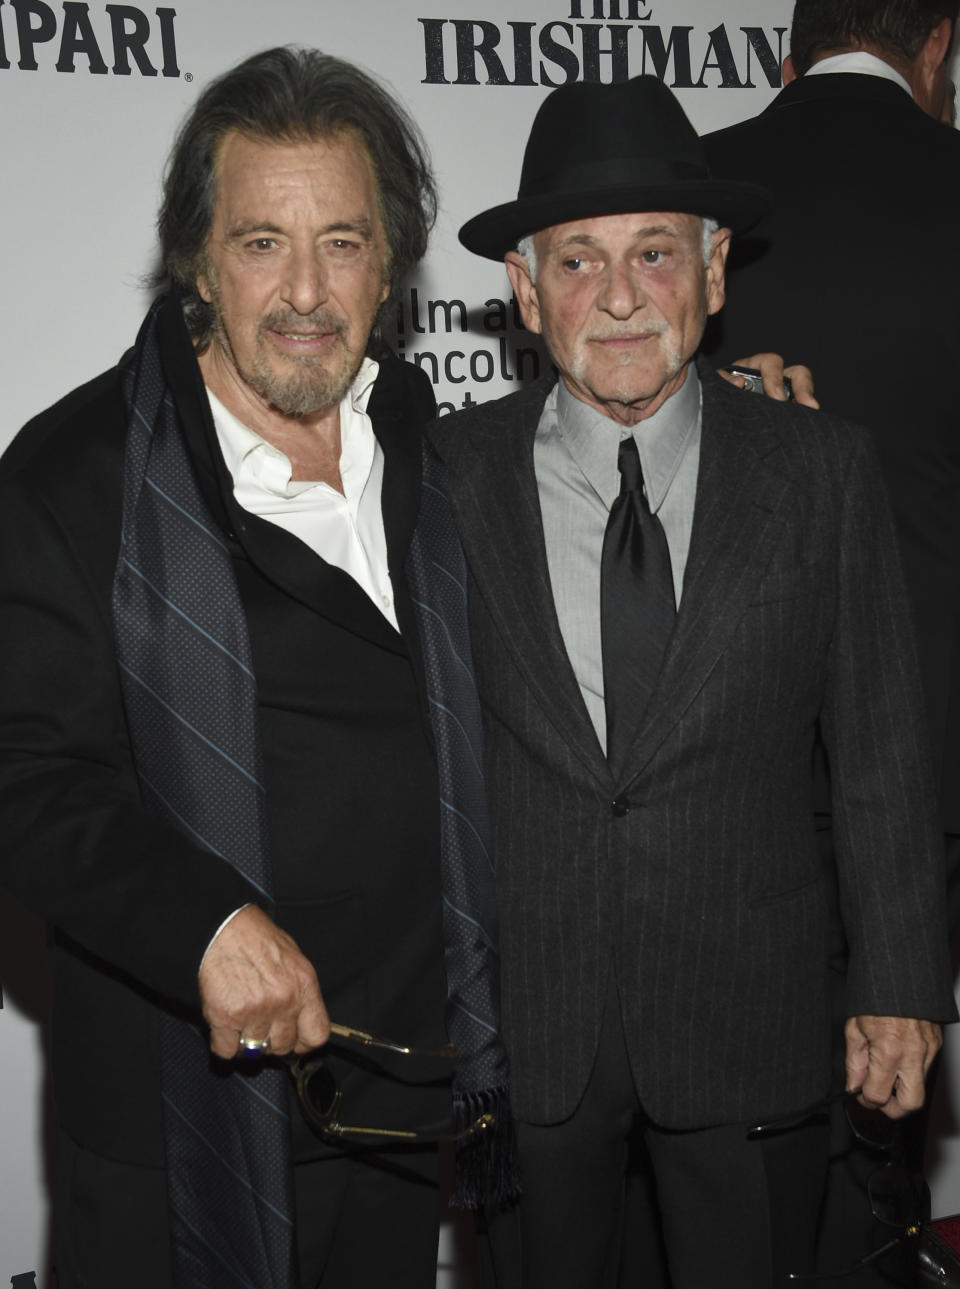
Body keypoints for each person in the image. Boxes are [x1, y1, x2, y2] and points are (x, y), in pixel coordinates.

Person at [429, 74, 957, 1289]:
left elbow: (881, 742)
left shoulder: (822, 471)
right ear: (522, 288)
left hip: (750, 1012)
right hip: (529, 1029)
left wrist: (897, 977)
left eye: (656, 253)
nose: (618, 296)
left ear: (717, 274)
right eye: (576, 261)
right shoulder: (441, 476)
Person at [0, 46, 512, 1289]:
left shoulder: (439, 455)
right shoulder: (77, 476)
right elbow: (22, 773)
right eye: (261, 242)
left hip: (401, 1097)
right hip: (182, 1117)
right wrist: (204, 921)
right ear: (197, 258)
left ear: (391, 264)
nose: (305, 292)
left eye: (341, 242)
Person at [703, 5, 960, 1281]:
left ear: (786, 56)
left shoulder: (676, 208)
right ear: (940, 50)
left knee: (752, 1147)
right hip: (941, 771)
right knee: (889, 1105)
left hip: (727, 771)